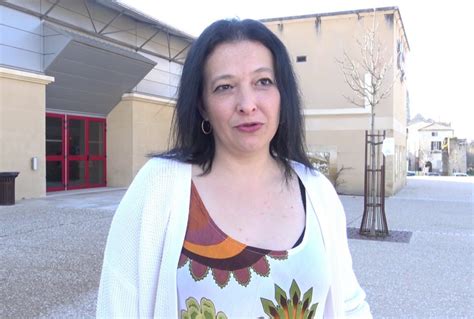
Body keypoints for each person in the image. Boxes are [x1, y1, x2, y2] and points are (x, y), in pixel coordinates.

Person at [97, 19, 371, 318]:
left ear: (283, 95)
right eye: (225, 87)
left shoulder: (317, 191)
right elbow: (118, 307)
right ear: (202, 105)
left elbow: (350, 304)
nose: (247, 103)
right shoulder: (159, 187)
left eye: (263, 82)